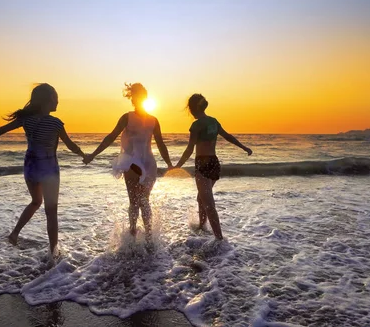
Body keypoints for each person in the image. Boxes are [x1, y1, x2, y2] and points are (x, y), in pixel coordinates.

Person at [0, 83, 85, 258]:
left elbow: (3, 129)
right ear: (48, 101)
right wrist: (84, 155)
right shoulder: (56, 123)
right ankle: (54, 252)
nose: (58, 102)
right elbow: (69, 145)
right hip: (48, 167)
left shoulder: (27, 120)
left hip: (30, 166)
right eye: (56, 98)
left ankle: (14, 234)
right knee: (51, 211)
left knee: (35, 201)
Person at [83, 83, 173, 242]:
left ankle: (147, 236)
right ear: (133, 98)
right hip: (131, 163)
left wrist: (170, 165)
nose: (138, 99)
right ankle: (136, 233)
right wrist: (93, 154)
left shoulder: (153, 120)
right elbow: (111, 137)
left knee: (143, 200)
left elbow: (161, 144)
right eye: (137, 97)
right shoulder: (127, 118)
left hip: (148, 164)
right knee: (137, 200)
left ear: (144, 98)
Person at [175, 94, 252, 240]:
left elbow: (190, 149)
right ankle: (202, 227)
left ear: (191, 108)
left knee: (209, 204)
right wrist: (243, 147)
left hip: (202, 164)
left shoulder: (196, 125)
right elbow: (228, 136)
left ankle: (219, 239)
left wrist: (177, 166)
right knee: (201, 198)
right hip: (214, 164)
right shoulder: (214, 121)